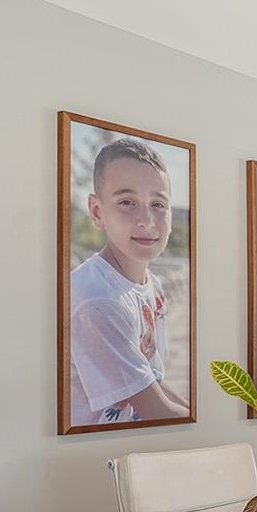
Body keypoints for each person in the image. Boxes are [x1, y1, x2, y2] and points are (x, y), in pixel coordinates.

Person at [68, 137, 190, 426]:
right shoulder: (98, 301)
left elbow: (151, 379)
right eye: (126, 202)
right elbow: (158, 411)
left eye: (158, 204)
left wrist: (198, 412)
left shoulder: (152, 285)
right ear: (97, 212)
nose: (147, 220)